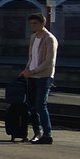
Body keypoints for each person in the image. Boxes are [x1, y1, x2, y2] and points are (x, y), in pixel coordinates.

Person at [19, 12, 58, 144]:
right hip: (32, 75)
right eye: (31, 24)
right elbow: (31, 57)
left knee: (40, 105)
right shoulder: (33, 37)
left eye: (35, 23)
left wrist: (33, 71)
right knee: (32, 106)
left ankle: (47, 134)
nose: (32, 26)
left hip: (44, 76)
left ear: (43, 23)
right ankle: (37, 132)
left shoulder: (49, 39)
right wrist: (26, 70)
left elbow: (49, 62)